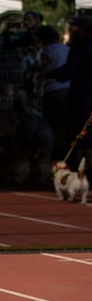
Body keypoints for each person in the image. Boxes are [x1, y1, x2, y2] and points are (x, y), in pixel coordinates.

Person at [45, 15, 92, 186]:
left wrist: (48, 75)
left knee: (82, 134)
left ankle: (83, 173)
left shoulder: (79, 47)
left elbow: (67, 72)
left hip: (82, 94)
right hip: (85, 92)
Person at [35, 25, 70, 159]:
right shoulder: (67, 49)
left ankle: (49, 154)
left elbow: (42, 72)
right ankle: (69, 155)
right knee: (67, 125)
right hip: (67, 89)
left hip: (52, 91)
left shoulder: (46, 51)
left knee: (49, 126)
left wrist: (38, 90)